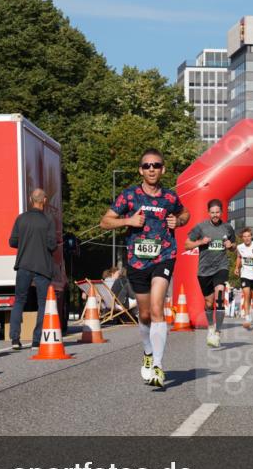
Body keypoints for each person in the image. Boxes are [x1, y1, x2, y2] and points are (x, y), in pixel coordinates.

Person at [100, 149, 189, 388]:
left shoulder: (170, 198)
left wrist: (178, 221)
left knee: (158, 307)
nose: (152, 169)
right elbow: (105, 221)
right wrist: (127, 221)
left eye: (156, 165)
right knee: (146, 313)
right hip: (137, 260)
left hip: (165, 256)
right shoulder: (129, 196)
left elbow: (185, 213)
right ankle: (148, 353)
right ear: (141, 170)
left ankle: (158, 367)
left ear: (163, 169)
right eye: (147, 165)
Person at [8, 188, 58, 350]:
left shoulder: (21, 219)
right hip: (42, 266)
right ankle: (37, 340)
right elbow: (52, 244)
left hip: (23, 265)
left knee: (19, 300)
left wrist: (25, 243)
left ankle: (15, 339)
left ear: (31, 200)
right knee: (43, 303)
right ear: (44, 200)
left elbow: (12, 242)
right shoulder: (48, 220)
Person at [185, 199, 236, 348]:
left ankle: (218, 333)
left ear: (221, 213)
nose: (215, 215)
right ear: (209, 213)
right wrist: (200, 242)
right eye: (212, 212)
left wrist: (230, 246)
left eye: (217, 212)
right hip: (204, 269)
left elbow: (233, 247)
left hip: (221, 266)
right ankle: (211, 327)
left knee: (220, 296)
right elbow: (187, 244)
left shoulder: (227, 228)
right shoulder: (201, 227)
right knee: (209, 302)